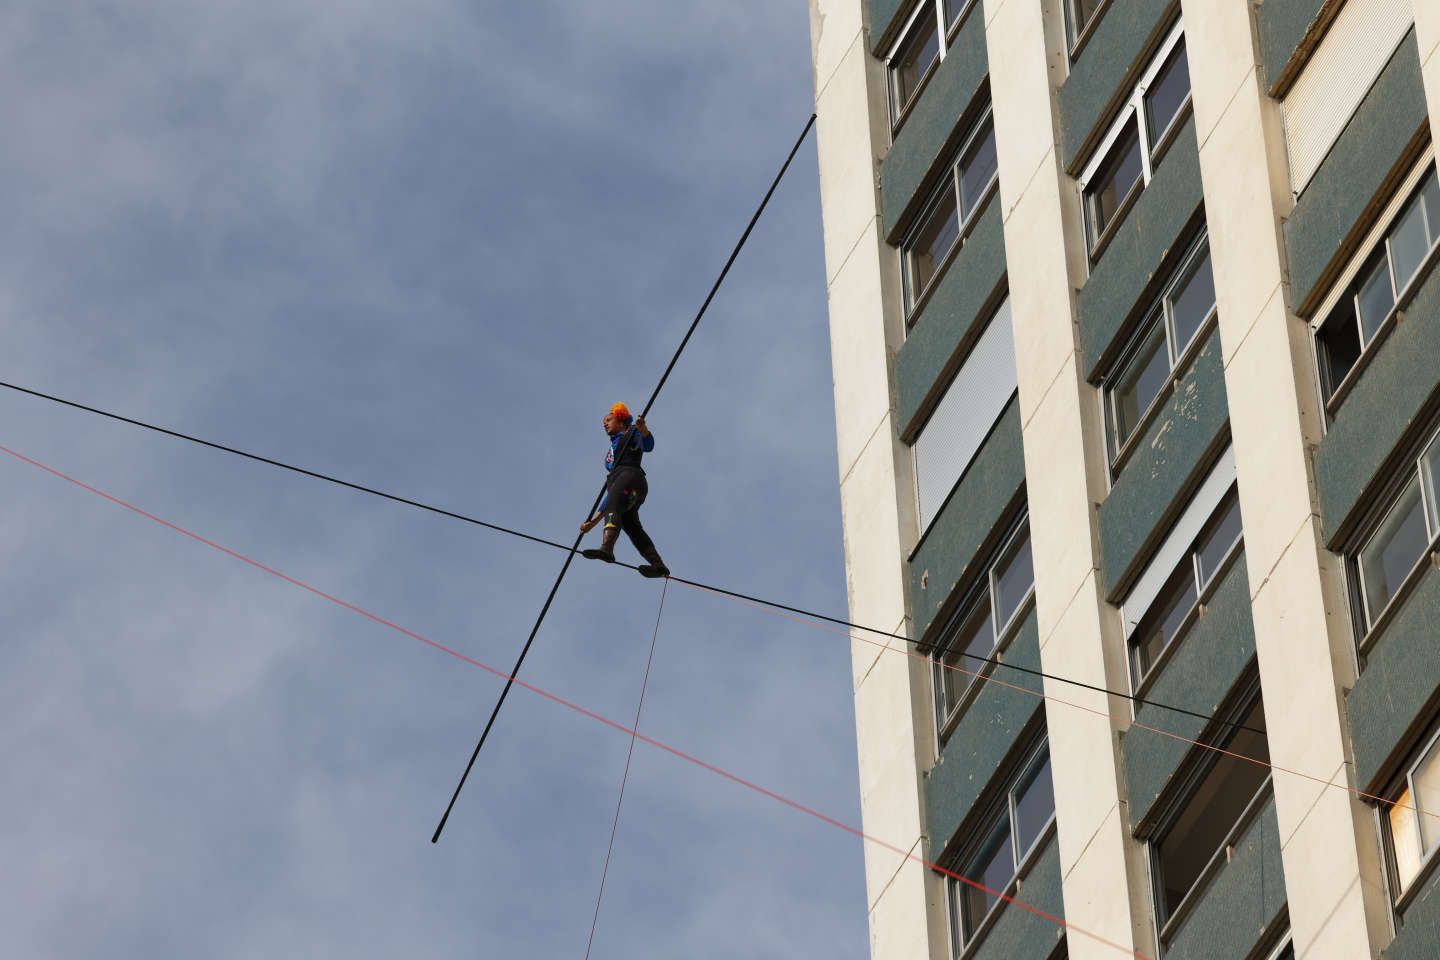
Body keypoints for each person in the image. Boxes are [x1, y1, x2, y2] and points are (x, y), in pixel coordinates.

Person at [580, 402, 669, 578]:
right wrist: (593, 522)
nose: (605, 424)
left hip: (630, 477)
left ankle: (607, 549)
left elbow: (648, 445)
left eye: (608, 419)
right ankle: (658, 565)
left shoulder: (631, 432)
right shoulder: (614, 446)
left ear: (621, 421)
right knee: (631, 525)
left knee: (615, 505)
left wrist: (643, 429)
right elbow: (611, 496)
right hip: (631, 489)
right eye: (603, 422)